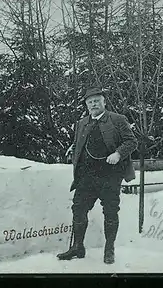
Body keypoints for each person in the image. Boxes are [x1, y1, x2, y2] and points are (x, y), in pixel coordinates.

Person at [57, 87, 137, 264]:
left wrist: (118, 154)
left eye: (97, 101)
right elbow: (78, 146)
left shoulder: (117, 119)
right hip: (86, 177)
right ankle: (78, 247)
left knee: (110, 211)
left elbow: (132, 141)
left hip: (110, 176)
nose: (93, 104)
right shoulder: (82, 123)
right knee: (78, 209)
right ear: (86, 105)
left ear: (104, 102)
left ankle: (109, 250)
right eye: (90, 102)